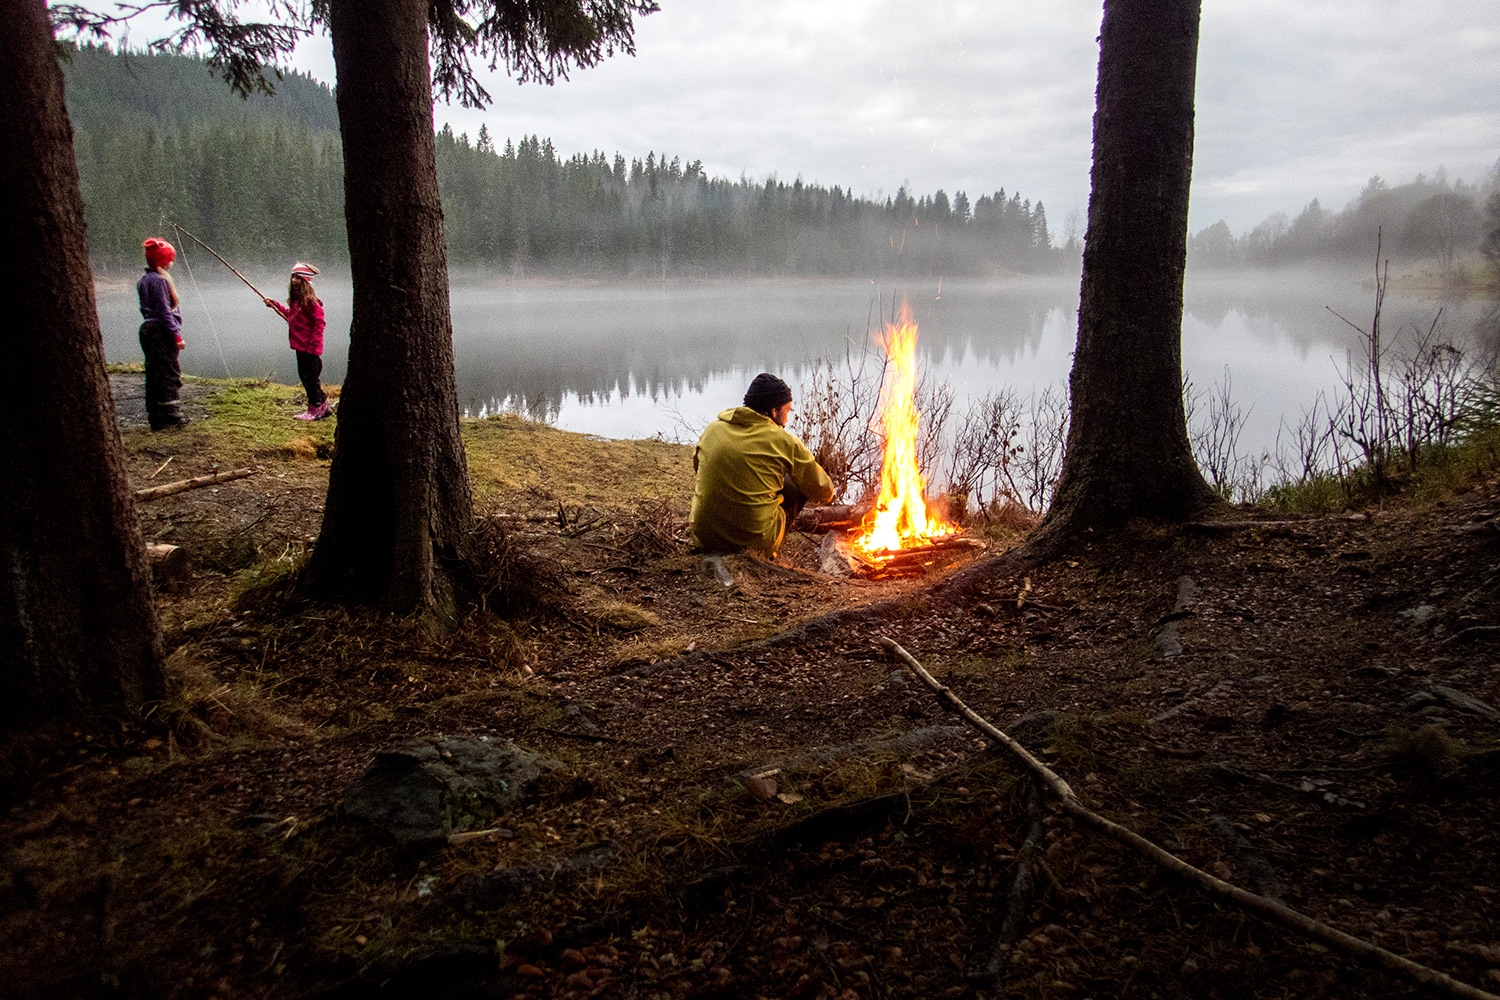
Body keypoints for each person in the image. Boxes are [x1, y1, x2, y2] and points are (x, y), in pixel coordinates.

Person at [690, 372, 834, 557]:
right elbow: (824, 491)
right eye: (787, 411)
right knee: (794, 483)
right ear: (774, 411)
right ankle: (765, 544)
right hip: (754, 543)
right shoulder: (784, 442)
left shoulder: (713, 429)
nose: (788, 419)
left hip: (705, 537)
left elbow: (698, 468)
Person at [263, 262, 330, 421]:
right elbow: (291, 316)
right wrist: (275, 305)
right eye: (293, 276)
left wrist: (313, 346)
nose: (294, 280)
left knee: (310, 380)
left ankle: (314, 411)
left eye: (298, 277)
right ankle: (323, 407)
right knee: (306, 378)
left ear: (305, 281)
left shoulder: (311, 302)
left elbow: (320, 323)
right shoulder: (296, 302)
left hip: (310, 350)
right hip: (300, 348)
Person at [137, 237, 188, 430]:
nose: (172, 263)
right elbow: (164, 312)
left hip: (148, 330)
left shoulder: (144, 280)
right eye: (170, 259)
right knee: (168, 373)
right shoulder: (159, 281)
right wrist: (177, 335)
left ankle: (156, 416)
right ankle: (170, 418)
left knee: (154, 373)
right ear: (163, 261)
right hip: (161, 332)